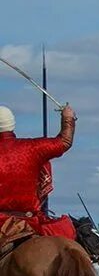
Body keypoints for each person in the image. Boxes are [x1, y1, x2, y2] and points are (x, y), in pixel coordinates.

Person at [0, 101, 77, 247]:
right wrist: (68, 117)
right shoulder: (32, 148)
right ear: (12, 125)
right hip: (30, 222)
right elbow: (64, 141)